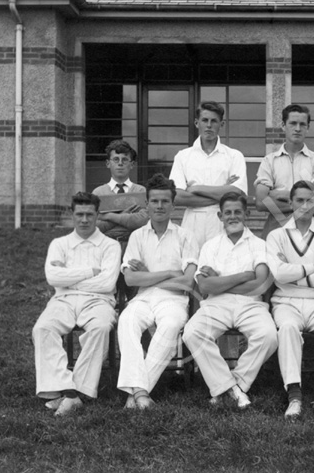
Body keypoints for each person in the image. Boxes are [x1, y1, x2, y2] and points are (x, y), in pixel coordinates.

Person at [182, 192, 277, 408]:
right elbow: (205, 286)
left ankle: (232, 386)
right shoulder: (210, 245)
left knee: (269, 336)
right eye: (228, 213)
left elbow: (260, 284)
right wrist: (245, 275)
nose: (232, 217)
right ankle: (233, 389)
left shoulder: (259, 245)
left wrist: (220, 280)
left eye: (237, 212)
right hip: (216, 303)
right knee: (193, 332)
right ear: (220, 216)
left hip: (251, 304)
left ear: (247, 214)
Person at [32, 192, 121, 416]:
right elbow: (53, 278)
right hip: (63, 300)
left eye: (89, 214)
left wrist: (69, 280)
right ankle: (66, 390)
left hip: (99, 301)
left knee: (100, 328)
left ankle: (77, 392)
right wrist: (89, 271)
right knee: (43, 328)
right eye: (79, 214)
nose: (84, 220)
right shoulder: (59, 244)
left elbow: (107, 282)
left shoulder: (110, 245)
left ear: (97, 215)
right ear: (72, 215)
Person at [116, 174, 198, 409]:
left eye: (164, 201)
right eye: (154, 201)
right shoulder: (137, 236)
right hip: (143, 297)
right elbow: (131, 279)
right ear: (147, 204)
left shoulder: (186, 236)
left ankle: (137, 392)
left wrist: (149, 275)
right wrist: (170, 273)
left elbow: (187, 283)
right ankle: (141, 393)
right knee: (127, 320)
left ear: (173, 205)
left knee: (170, 325)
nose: (159, 206)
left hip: (174, 300)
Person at [266, 181, 314, 417]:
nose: (304, 205)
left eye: (310, 200)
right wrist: (312, 267)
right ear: (290, 203)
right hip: (285, 301)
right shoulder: (276, 235)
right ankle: (294, 394)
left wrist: (293, 273)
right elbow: (278, 274)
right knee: (288, 328)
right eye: (299, 200)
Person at [169, 101, 247, 250]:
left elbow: (237, 193)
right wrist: (223, 190)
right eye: (205, 120)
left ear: (221, 124)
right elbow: (178, 197)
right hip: (192, 222)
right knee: (192, 266)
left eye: (214, 121)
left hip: (222, 221)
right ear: (196, 123)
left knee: (222, 266)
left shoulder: (234, 156)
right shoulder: (183, 156)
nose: (209, 125)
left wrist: (195, 188)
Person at [255, 104, 314, 239]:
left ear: (308, 128)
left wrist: (277, 194)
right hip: (276, 227)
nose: (298, 129)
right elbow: (260, 202)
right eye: (293, 123)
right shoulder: (269, 161)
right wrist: (305, 199)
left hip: (309, 231)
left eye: (302, 124)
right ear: (283, 125)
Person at [92, 140, 149, 242]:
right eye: (116, 159)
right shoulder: (98, 193)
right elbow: (94, 226)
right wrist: (124, 215)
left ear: (132, 165)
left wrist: (108, 216)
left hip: (134, 244)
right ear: (108, 163)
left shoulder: (140, 191)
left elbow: (142, 221)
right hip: (105, 245)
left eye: (125, 160)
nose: (120, 163)